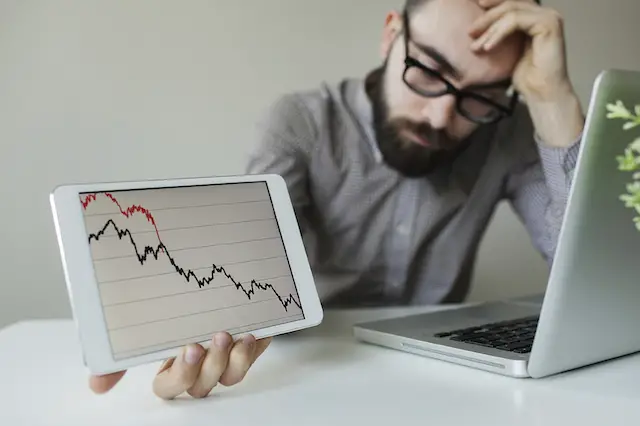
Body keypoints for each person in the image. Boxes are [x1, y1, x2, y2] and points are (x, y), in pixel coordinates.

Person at [89, 0, 584, 399]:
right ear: (392, 36)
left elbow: (592, 276)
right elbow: (253, 275)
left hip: (443, 381)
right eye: (430, 71)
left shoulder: (506, 131)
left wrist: (553, 101)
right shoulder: (301, 124)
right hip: (308, 372)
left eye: (480, 97)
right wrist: (205, 331)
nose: (439, 117)